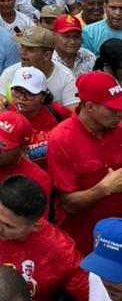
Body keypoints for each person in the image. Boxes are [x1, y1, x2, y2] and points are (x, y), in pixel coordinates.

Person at [48, 71, 122, 254]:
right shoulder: (61, 139)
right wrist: (104, 188)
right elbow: (68, 204)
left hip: (117, 238)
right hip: (83, 243)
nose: (119, 114)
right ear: (90, 107)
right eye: (113, 109)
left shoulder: (119, 131)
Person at [0, 23, 79, 110]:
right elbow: (0, 104)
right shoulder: (9, 72)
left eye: (30, 49)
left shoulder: (66, 78)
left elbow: (71, 114)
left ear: (47, 55)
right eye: (22, 47)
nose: (23, 52)